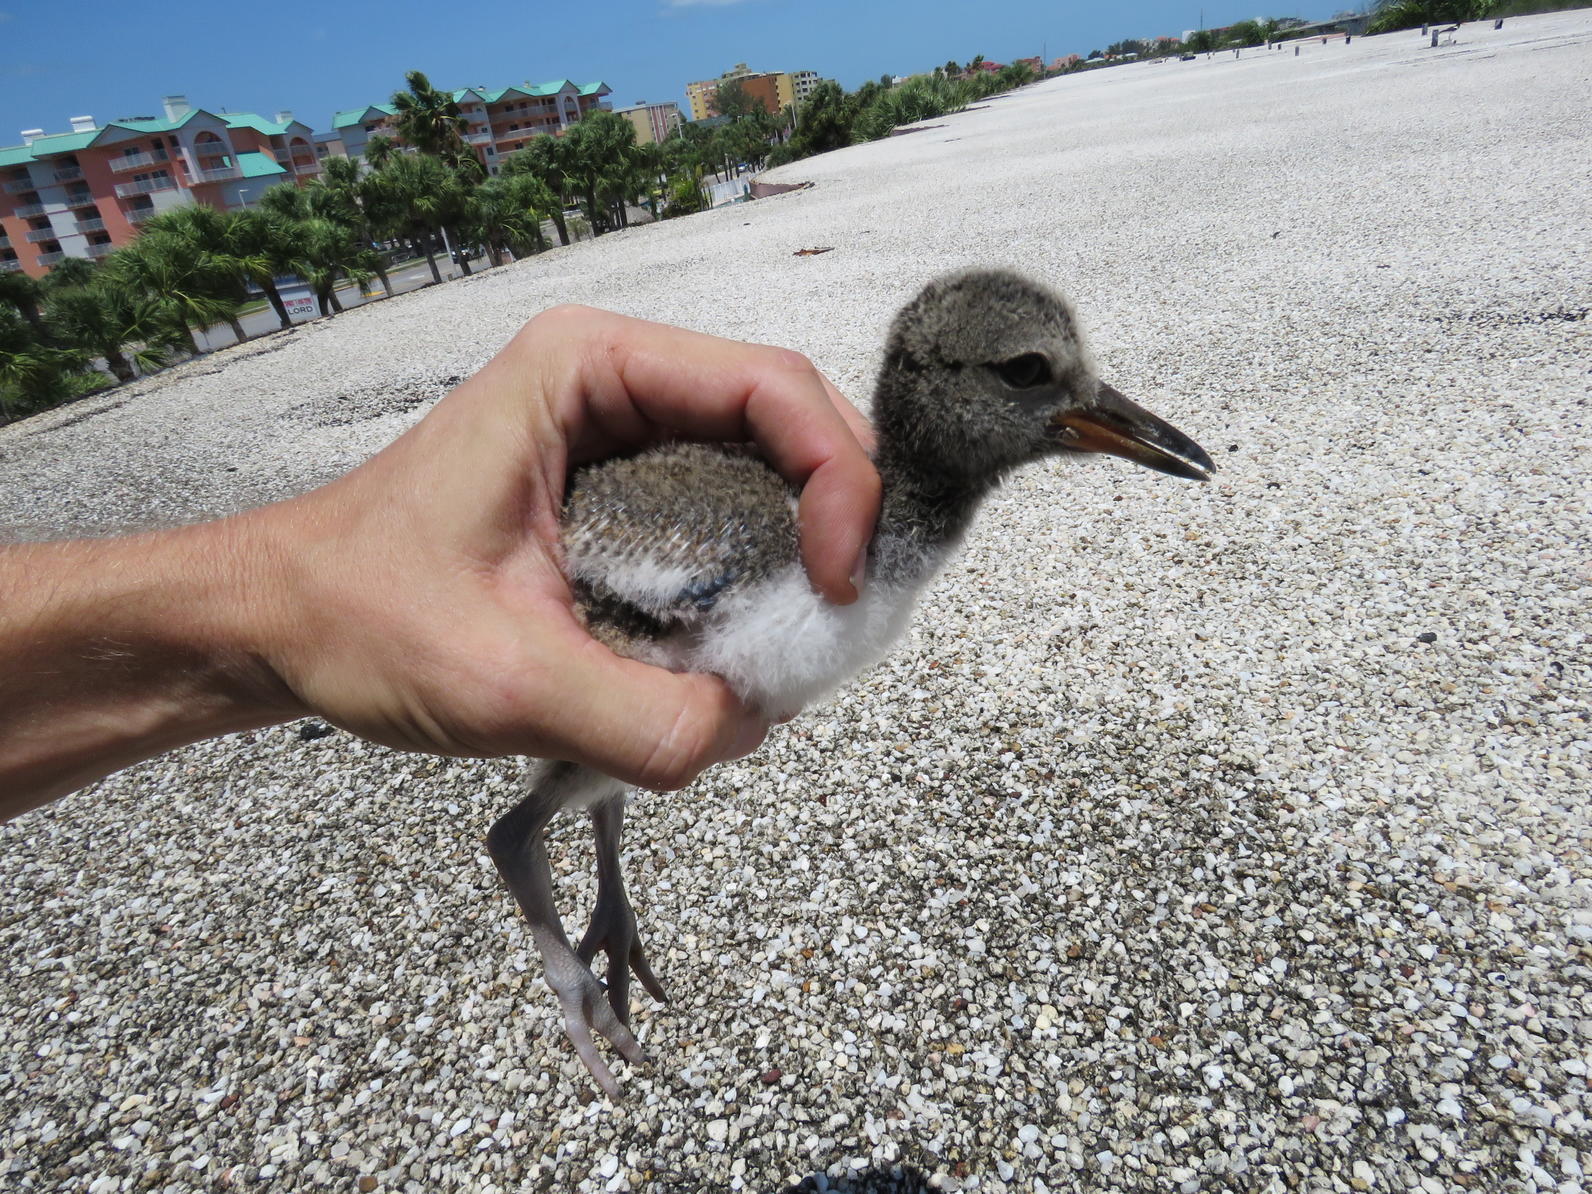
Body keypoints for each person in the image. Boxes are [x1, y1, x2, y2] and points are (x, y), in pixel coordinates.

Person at [0, 305, 881, 822]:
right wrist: (284, 610)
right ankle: (546, 869)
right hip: (637, 582)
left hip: (652, 583)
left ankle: (603, 872)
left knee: (624, 705)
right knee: (610, 699)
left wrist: (273, 614)